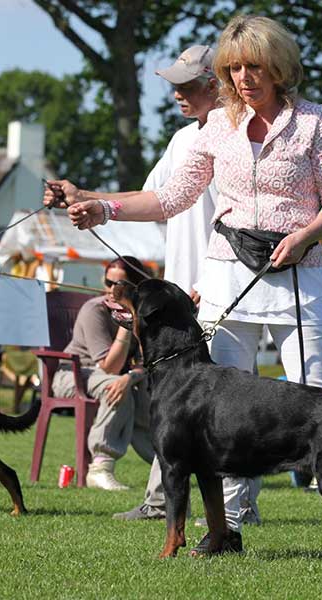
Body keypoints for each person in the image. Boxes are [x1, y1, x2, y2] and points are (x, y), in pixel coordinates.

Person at [44, 14, 322, 560]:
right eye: (235, 68)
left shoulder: (316, 124)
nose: (244, 78)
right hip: (228, 275)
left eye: (255, 67)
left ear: (280, 68)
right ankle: (228, 529)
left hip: (300, 276)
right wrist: (103, 208)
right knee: (224, 412)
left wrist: (304, 234)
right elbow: (170, 197)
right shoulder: (216, 126)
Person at [112, 44, 219, 522]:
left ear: (217, 83)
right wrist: (90, 199)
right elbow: (153, 198)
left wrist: (206, 282)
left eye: (189, 83)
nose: (177, 92)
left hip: (215, 290)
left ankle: (236, 511)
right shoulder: (180, 141)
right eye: (174, 83)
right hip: (179, 295)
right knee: (173, 403)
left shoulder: (234, 135)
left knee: (223, 410)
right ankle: (160, 501)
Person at [51, 256, 153, 491]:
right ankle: (100, 467)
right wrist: (125, 326)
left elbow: (145, 362)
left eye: (120, 285)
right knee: (115, 387)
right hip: (73, 374)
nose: (112, 290)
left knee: (143, 391)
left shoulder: (142, 314)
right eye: (109, 283)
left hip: (114, 376)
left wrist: (131, 377)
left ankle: (164, 462)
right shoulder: (94, 309)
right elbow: (109, 367)